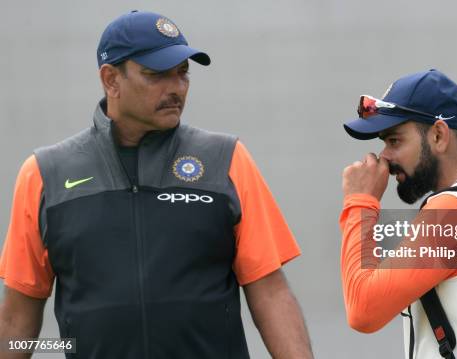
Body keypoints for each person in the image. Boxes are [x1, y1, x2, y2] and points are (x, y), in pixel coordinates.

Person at [0, 10, 313, 359]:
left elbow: (270, 293)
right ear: (111, 80)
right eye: (157, 75)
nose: (176, 87)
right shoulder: (44, 174)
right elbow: (17, 320)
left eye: (183, 73)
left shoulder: (227, 159)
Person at [340, 69, 457, 358]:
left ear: (438, 135)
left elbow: (363, 310)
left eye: (394, 141)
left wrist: (359, 202)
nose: (383, 157)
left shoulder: (453, 212)